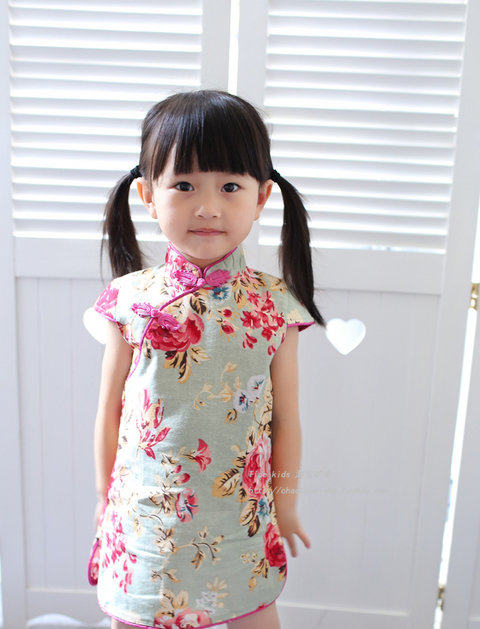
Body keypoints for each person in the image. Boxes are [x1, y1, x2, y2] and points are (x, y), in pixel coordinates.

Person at [83, 89, 326, 629]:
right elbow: (109, 410)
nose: (208, 207)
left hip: (240, 520)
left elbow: (286, 419)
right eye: (185, 185)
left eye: (230, 186)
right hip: (145, 520)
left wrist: (285, 505)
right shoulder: (128, 300)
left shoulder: (274, 306)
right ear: (148, 194)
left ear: (261, 197)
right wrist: (104, 497)